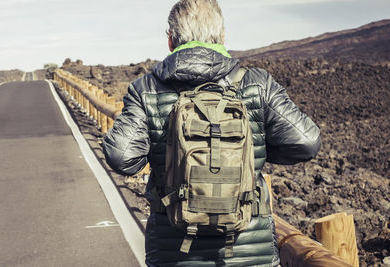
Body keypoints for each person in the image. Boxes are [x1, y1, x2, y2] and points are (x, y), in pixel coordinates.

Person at [102, 0, 321, 266]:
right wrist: (253, 149)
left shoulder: (147, 88)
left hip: (174, 254)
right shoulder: (256, 83)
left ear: (171, 40)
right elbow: (306, 142)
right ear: (222, 35)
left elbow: (121, 156)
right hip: (251, 255)